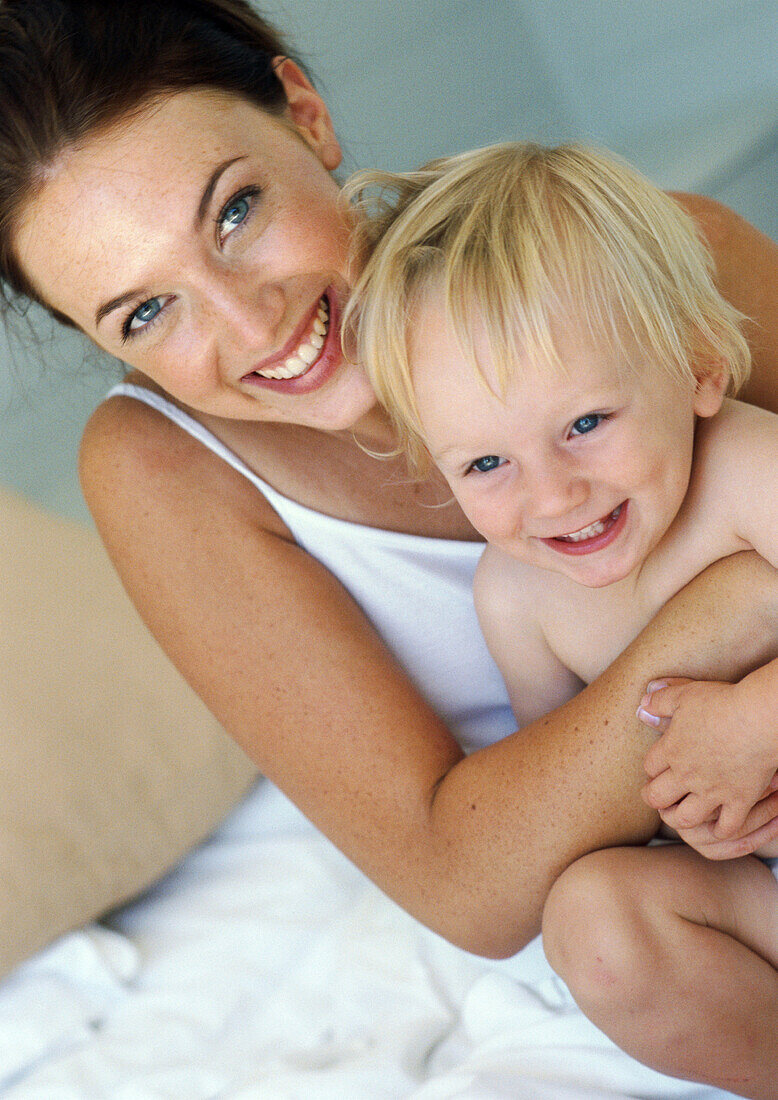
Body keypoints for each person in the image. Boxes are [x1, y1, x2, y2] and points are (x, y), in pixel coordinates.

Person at [1, 1, 778, 1092]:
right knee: (596, 926)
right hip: (679, 871)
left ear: (307, 117)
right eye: (144, 314)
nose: (249, 320)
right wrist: (734, 608)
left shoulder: (637, 265)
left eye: (234, 212)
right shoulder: (160, 466)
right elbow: (466, 884)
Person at [346, 141, 778, 1096]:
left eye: (584, 424)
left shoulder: (754, 472)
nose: (551, 498)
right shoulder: (516, 601)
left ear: (699, 366)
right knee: (593, 917)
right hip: (760, 887)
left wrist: (756, 719)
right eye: (486, 466)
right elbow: (581, 815)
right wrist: (687, 820)